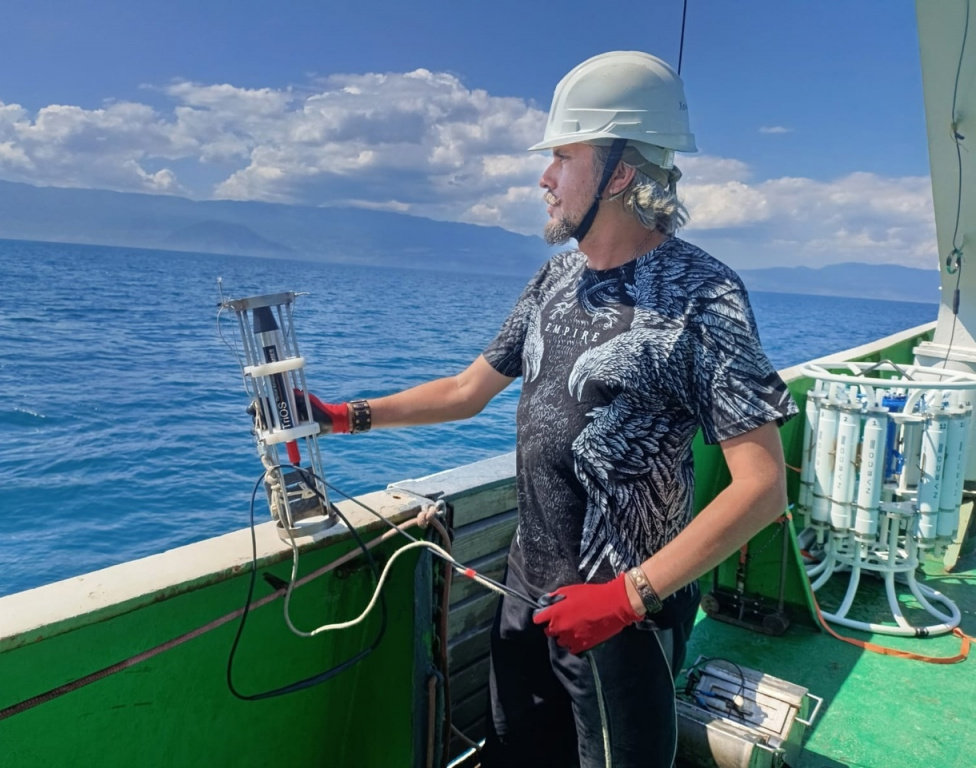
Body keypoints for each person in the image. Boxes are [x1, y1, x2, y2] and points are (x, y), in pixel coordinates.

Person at [299, 51, 797, 768]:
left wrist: (625, 599)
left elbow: (762, 486)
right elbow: (467, 390)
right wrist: (342, 416)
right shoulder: (556, 277)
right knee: (517, 754)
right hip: (526, 588)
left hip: (624, 617)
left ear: (619, 174)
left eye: (563, 157)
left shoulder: (703, 295)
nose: (544, 177)